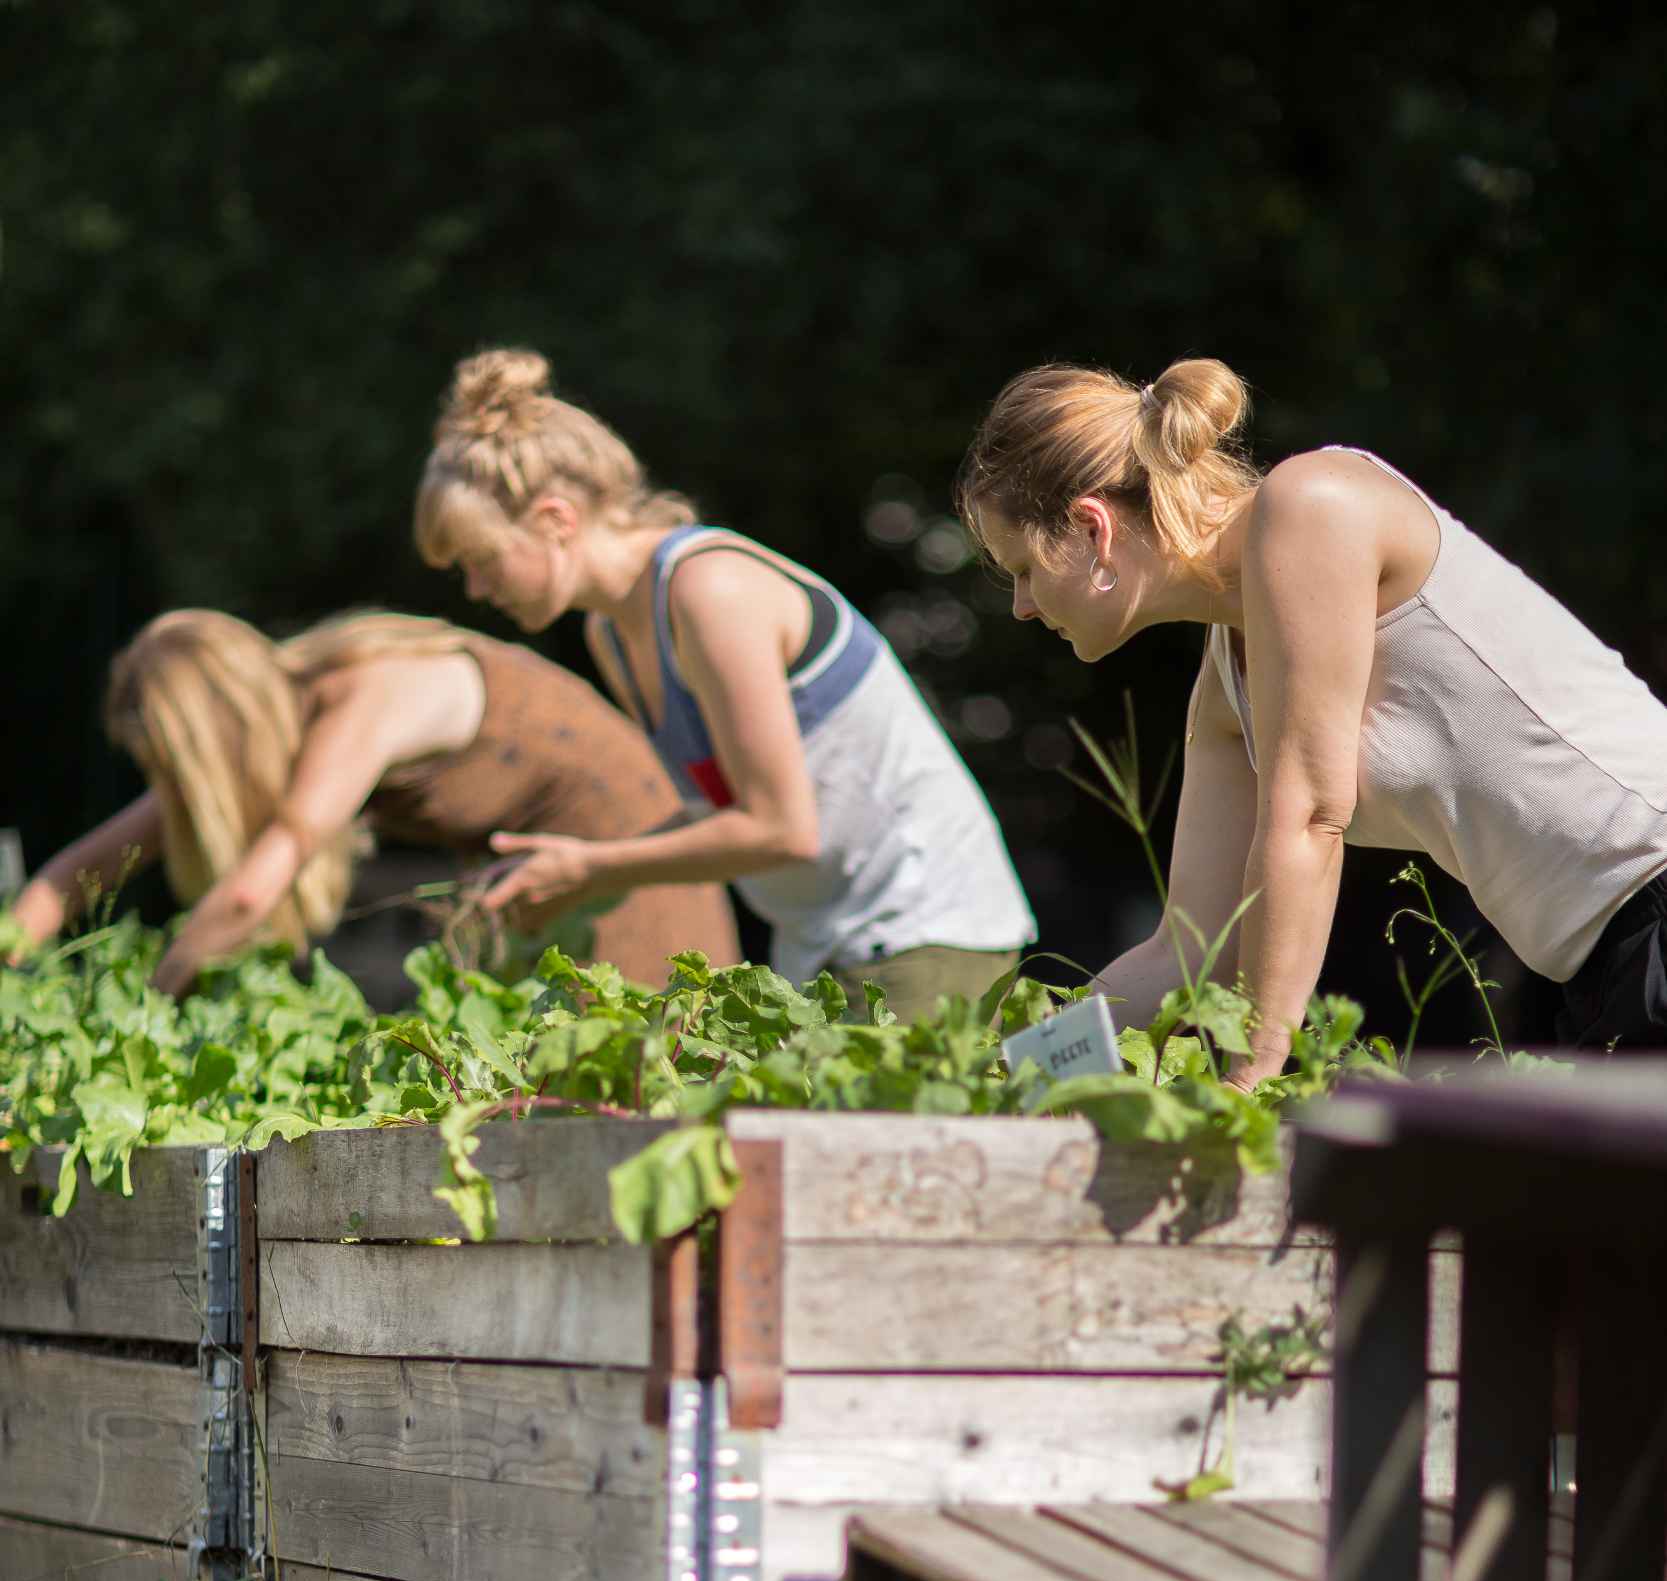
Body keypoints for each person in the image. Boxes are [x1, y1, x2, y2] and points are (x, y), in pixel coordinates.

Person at [955, 357, 1667, 1074]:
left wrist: (1252, 1075)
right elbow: (1188, 950)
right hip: (1599, 964)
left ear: (1090, 528)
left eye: (1022, 568)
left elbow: (1308, 815)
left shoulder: (1311, 503)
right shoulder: (1226, 678)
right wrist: (1008, 1072)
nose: (1019, 604)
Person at [412, 350, 1038, 1020]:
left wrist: (592, 868)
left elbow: (779, 828)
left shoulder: (709, 590)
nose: (477, 591)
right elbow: (722, 811)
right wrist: (572, 868)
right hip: (828, 945)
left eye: (481, 561)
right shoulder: (612, 634)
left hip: (925, 931)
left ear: (555, 519)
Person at [7, 608, 740, 995]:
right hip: (540, 887)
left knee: (636, 1084)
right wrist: (11, 951)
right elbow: (85, 867)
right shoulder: (286, 713)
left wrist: (157, 996)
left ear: (214, 735)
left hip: (624, 857)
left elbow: (248, 895)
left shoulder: (356, 700)